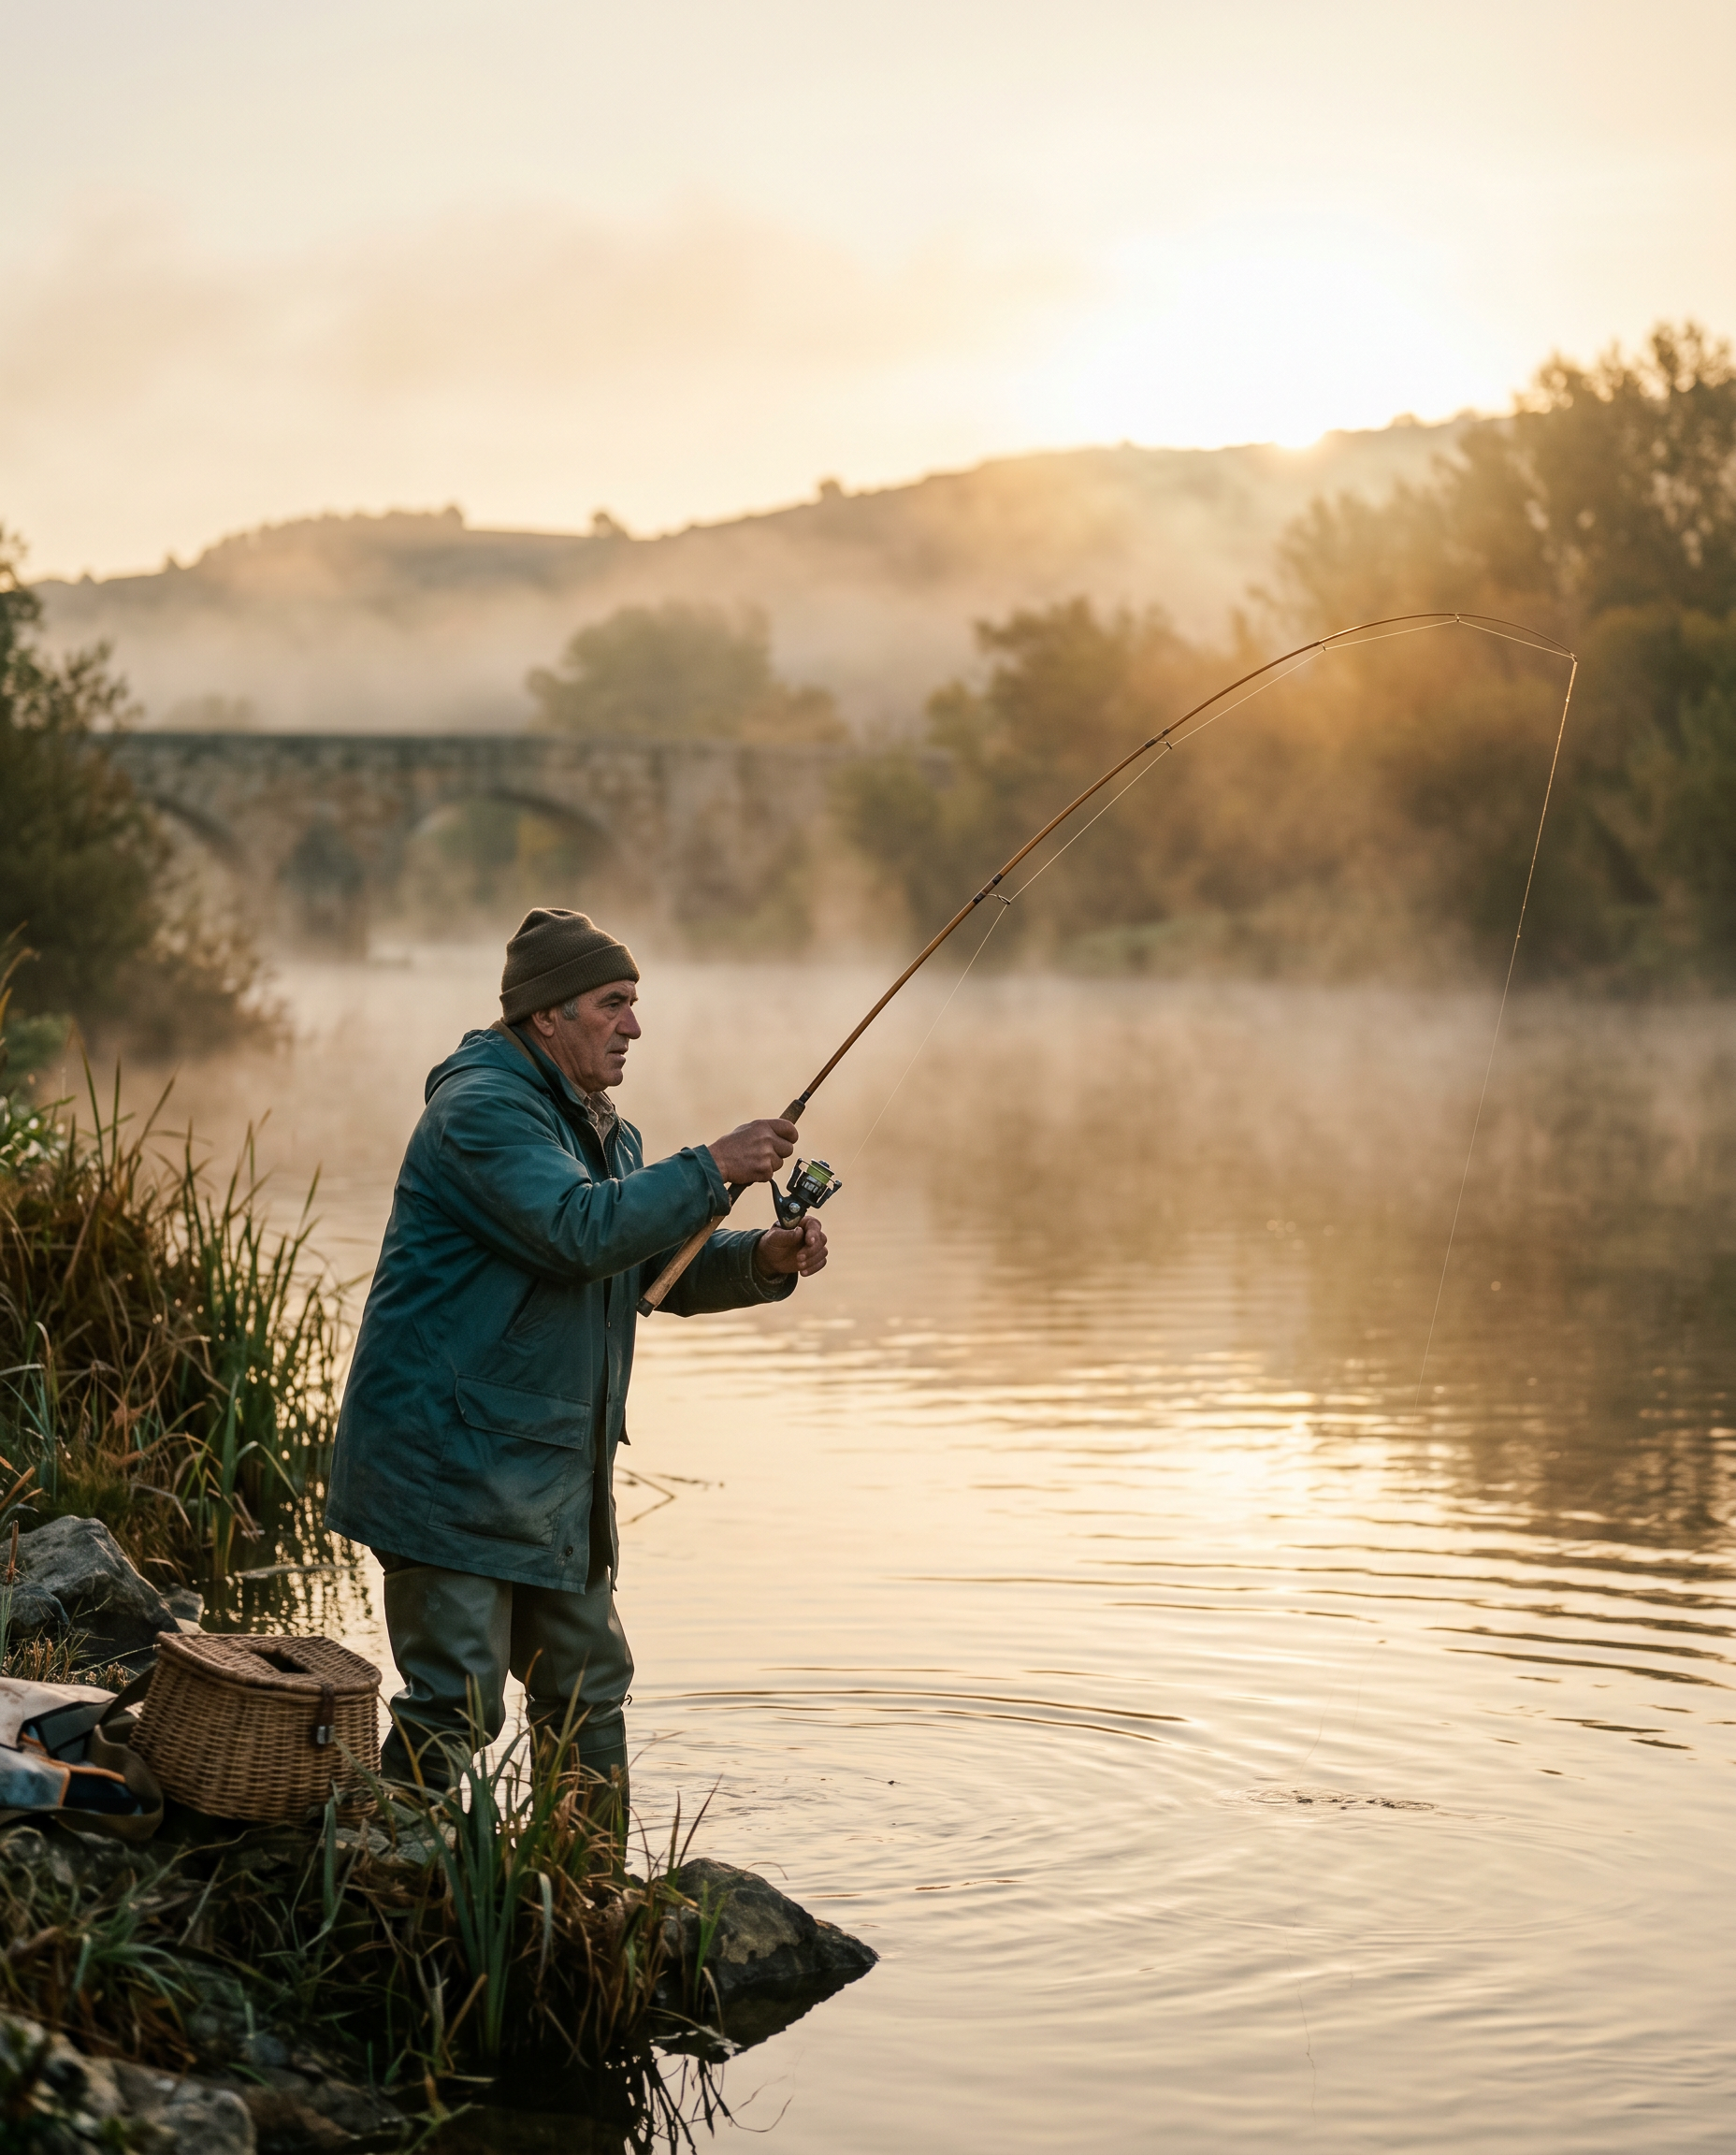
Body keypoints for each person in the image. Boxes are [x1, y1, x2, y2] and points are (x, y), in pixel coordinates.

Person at [325, 906, 827, 1801]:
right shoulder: (481, 1113)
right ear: (547, 1013)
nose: (634, 1025)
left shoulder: (602, 1129)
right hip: (448, 1461)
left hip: (547, 1471)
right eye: (614, 1002)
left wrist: (758, 1259)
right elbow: (576, 1231)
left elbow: (631, 1270)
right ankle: (377, 1888)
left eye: (634, 1002)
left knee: (589, 1689)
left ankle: (590, 1899)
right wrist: (712, 1168)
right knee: (457, 1707)